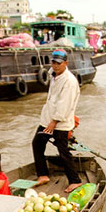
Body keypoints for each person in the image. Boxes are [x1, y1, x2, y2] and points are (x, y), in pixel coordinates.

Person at [32, 50, 83, 192]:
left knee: (63, 151)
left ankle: (75, 180)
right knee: (37, 143)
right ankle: (43, 174)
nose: (55, 65)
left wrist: (54, 123)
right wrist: (50, 121)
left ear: (66, 63)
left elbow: (64, 104)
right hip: (48, 119)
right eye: (53, 62)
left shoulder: (69, 81)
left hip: (60, 122)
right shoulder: (54, 74)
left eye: (58, 63)